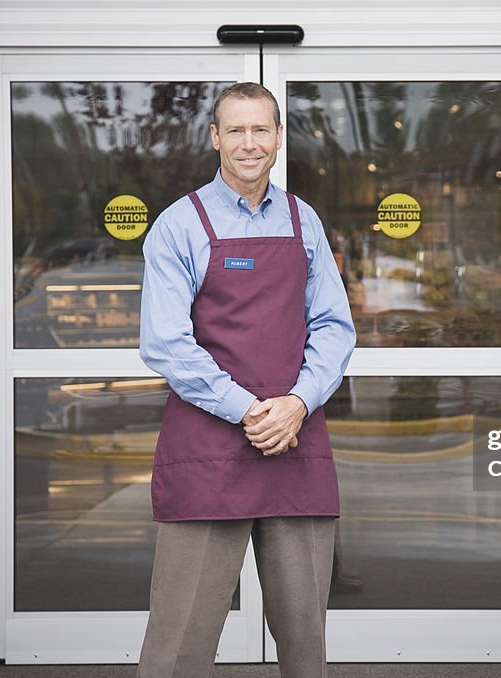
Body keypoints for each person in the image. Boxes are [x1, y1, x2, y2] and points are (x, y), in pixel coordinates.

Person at [136, 82, 355, 678]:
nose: (249, 143)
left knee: (306, 638)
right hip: (209, 448)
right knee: (180, 639)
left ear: (279, 138)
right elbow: (166, 344)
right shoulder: (179, 225)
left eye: (261, 129)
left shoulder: (304, 220)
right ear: (215, 137)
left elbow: (335, 327)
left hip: (295, 439)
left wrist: (299, 403)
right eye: (236, 130)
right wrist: (251, 411)